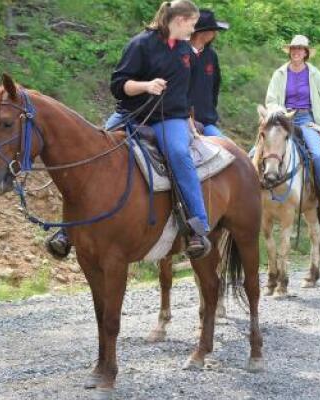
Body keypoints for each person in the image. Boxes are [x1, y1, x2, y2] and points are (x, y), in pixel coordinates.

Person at [47, 0, 211, 260]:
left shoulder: (186, 52)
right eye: (192, 24)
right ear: (179, 21)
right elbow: (119, 85)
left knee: (179, 155)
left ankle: (198, 227)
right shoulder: (140, 45)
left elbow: (186, 92)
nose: (194, 29)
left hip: (170, 118)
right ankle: (67, 229)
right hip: (131, 114)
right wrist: (146, 86)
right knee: (91, 154)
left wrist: (189, 120)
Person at [265, 34, 320, 222]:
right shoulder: (279, 73)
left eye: (300, 49)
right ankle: (255, 197)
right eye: (293, 49)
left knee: (318, 155)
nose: (296, 52)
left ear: (306, 53)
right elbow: (271, 100)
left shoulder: (315, 75)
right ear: (290, 51)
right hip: (283, 119)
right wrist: (279, 112)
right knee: (256, 152)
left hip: (306, 120)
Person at [189, 9, 229, 137]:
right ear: (204, 33)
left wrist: (209, 112)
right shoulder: (181, 53)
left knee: (229, 151)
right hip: (183, 121)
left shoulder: (211, 56)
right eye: (213, 30)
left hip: (207, 123)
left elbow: (215, 87)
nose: (215, 33)